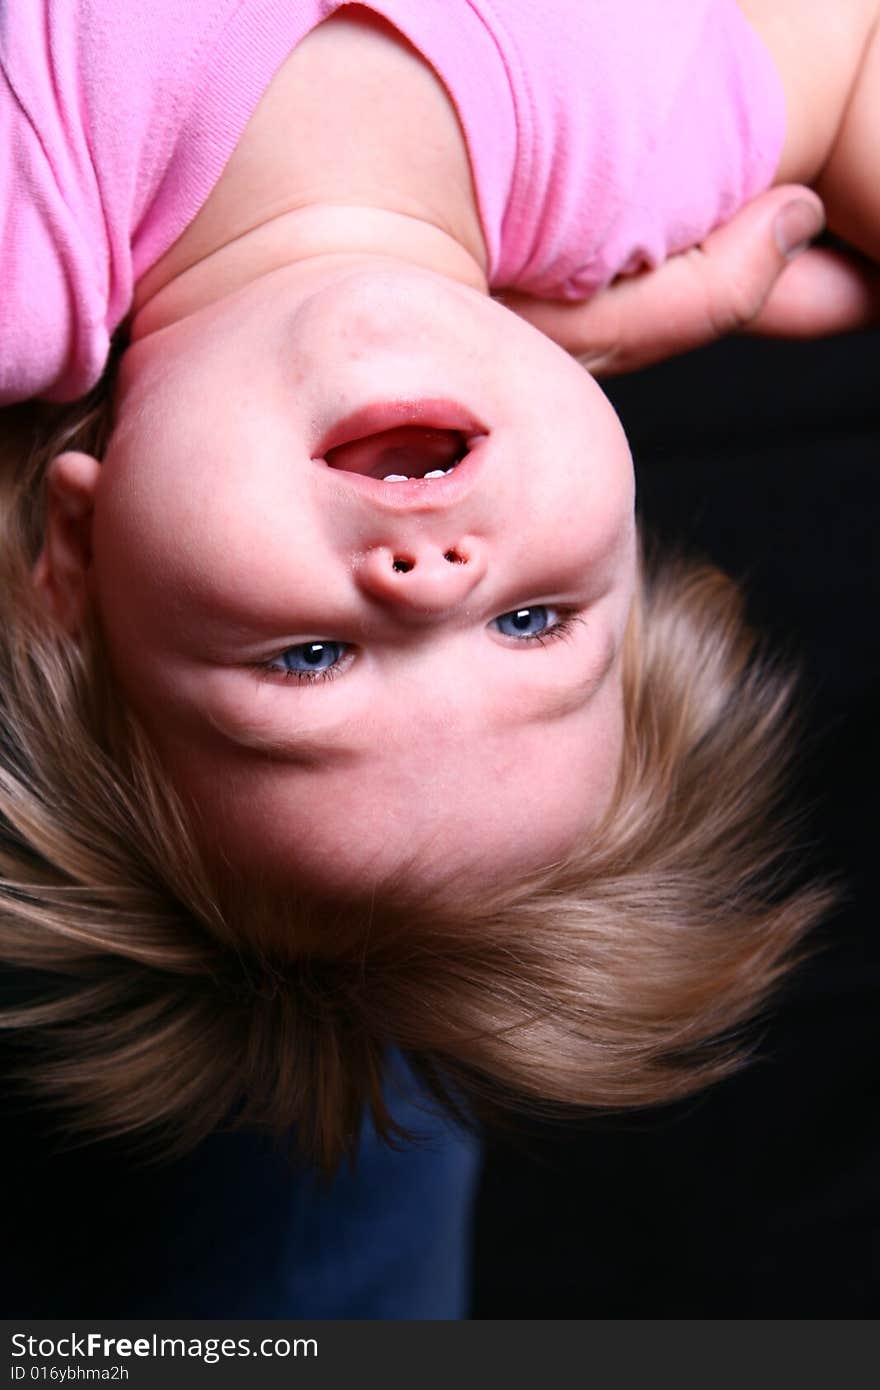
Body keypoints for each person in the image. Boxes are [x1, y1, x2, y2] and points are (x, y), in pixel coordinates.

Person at [0, 0, 877, 1186]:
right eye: (530, 624)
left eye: (309, 658)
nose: (432, 585)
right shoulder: (631, 157)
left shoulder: (28, 233)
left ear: (76, 555)